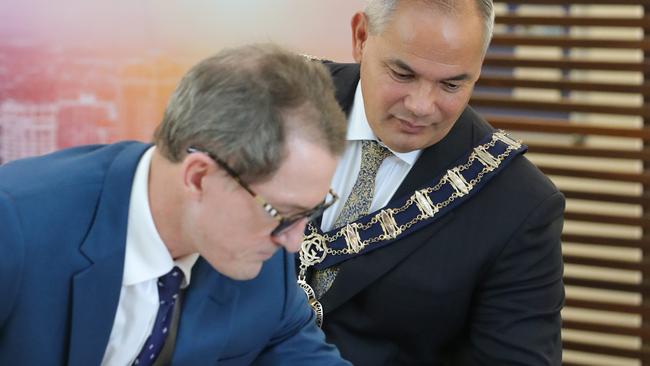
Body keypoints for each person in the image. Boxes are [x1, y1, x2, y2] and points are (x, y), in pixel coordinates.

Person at [0, 44, 353, 366]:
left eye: (312, 211)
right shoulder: (16, 225)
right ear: (198, 176)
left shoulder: (266, 263)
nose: (295, 242)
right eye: (281, 214)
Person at [297, 0, 565, 365]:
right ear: (361, 37)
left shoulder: (519, 204)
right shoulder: (275, 100)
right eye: (403, 74)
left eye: (451, 84)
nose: (422, 106)